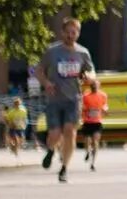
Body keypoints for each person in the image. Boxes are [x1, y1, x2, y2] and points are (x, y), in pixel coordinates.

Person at [37, 18, 95, 184]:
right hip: (55, 98)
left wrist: (88, 78)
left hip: (73, 99)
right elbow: (39, 70)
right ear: (62, 32)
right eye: (68, 32)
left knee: (70, 131)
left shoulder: (83, 53)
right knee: (55, 134)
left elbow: (91, 73)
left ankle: (64, 168)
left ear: (78, 33)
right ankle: (50, 150)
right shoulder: (52, 51)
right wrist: (46, 83)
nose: (71, 35)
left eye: (74, 32)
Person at [79, 73, 107, 170]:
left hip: (97, 122)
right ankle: (87, 152)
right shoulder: (86, 96)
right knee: (87, 141)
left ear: (99, 86)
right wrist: (86, 110)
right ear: (90, 86)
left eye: (96, 85)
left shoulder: (103, 95)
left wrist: (105, 110)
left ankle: (93, 163)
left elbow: (105, 105)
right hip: (87, 121)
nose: (94, 86)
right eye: (93, 85)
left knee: (95, 142)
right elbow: (82, 107)